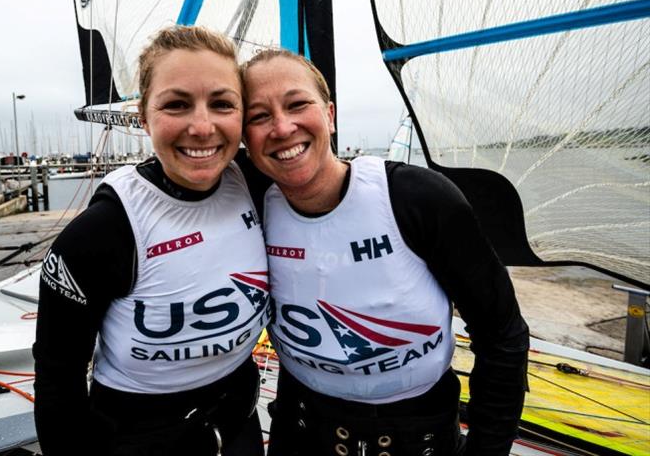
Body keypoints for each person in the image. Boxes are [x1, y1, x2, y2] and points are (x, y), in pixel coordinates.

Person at [241, 49, 529, 456]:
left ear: (330, 114)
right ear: (243, 136)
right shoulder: (248, 205)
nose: (283, 127)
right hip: (301, 430)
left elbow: (502, 334)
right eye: (258, 116)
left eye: (297, 104)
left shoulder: (417, 198)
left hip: (419, 436)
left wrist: (487, 449)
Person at [33, 26, 270, 456]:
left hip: (239, 428)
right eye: (177, 104)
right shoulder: (103, 231)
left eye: (222, 104)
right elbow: (57, 377)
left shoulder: (258, 186)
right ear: (142, 116)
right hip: (137, 439)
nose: (202, 127)